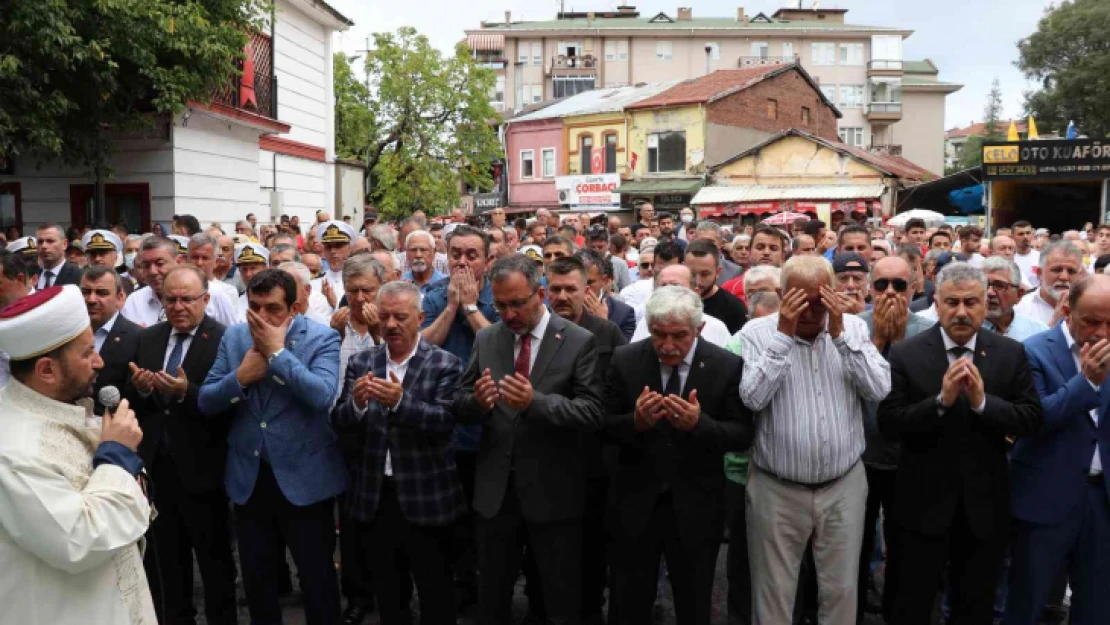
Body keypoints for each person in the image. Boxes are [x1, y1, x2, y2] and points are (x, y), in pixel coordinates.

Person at [878, 262, 1042, 625]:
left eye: (971, 302)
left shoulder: (1009, 353)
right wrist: (940, 402)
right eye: (952, 303)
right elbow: (889, 424)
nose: (962, 312)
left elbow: (1030, 418)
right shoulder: (907, 353)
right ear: (936, 303)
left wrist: (984, 403)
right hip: (921, 503)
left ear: (986, 303)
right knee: (912, 602)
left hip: (984, 507)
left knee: (975, 605)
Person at [452, 255, 604, 625]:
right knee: (493, 597)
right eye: (501, 305)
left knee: (557, 597)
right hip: (496, 494)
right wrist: (478, 401)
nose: (508, 314)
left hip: (553, 493)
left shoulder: (579, 340)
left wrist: (534, 403)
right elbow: (458, 400)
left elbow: (592, 412)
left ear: (540, 294)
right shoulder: (488, 337)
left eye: (518, 303)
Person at [740, 255, 891, 625]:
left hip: (842, 484)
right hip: (777, 486)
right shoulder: (756, 335)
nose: (810, 311)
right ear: (780, 294)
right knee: (773, 593)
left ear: (833, 293)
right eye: (799, 300)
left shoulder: (852, 328)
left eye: (819, 300)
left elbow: (879, 389)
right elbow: (753, 398)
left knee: (840, 591)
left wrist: (840, 336)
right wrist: (783, 336)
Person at [198, 269, 347, 625]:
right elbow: (206, 399)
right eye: (255, 308)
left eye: (273, 309)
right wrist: (241, 378)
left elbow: (322, 395)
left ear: (294, 308)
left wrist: (277, 354)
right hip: (251, 479)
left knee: (318, 580)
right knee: (258, 580)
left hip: (306, 479)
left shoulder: (322, 338)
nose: (262, 318)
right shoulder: (234, 338)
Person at [0, 285, 155, 625]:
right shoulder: (14, 449)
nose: (99, 361)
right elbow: (78, 540)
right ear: (46, 371)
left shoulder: (64, 408)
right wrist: (115, 457)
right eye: (86, 354)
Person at [605, 285, 754, 625]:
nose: (668, 346)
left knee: (694, 599)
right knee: (629, 599)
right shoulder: (625, 359)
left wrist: (699, 425)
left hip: (697, 505)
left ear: (699, 329)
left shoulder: (726, 365)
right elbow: (602, 424)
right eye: (659, 335)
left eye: (678, 336)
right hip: (635, 502)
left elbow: (742, 434)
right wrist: (635, 423)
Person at [332, 281, 465, 625]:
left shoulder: (445, 363)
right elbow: (339, 421)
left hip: (427, 497)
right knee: (390, 594)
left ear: (420, 318)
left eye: (400, 317)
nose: (390, 324)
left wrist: (401, 403)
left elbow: (446, 421)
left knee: (436, 592)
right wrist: (358, 405)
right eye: (385, 316)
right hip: (377, 499)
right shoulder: (363, 362)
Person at [124, 266, 237, 625]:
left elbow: (230, 403)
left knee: (215, 564)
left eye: (187, 299)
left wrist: (185, 393)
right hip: (159, 470)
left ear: (206, 299)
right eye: (170, 299)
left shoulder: (225, 339)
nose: (178, 306)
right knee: (167, 565)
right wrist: (142, 388)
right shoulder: (149, 339)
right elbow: (135, 402)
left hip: (206, 469)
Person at [1006, 275, 1110, 625]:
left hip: (1101, 501)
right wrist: (1087, 382)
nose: (1101, 332)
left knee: (1097, 605)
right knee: (1026, 601)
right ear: (1067, 310)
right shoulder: (1033, 350)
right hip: (1045, 497)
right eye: (1092, 321)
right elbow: (1032, 420)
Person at [419, 224, 499, 608]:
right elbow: (422, 346)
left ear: (487, 260)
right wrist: (452, 305)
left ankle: (485, 589)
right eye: (456, 254)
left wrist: (470, 307)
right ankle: (457, 587)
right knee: (447, 518)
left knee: (484, 517)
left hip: (487, 425)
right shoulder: (432, 296)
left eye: (472, 254)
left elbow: (502, 350)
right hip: (440, 423)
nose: (463, 262)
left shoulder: (502, 296)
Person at [546, 256, 628, 623]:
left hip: (595, 459)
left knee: (592, 547)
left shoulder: (606, 333)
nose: (562, 296)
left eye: (570, 289)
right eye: (555, 289)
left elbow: (620, 389)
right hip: (549, 455)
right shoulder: (538, 330)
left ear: (588, 290)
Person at [855, 256, 934, 623]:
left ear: (914, 288)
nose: (890, 292)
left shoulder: (928, 332)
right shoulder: (854, 327)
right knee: (855, 544)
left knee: (904, 546)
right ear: (870, 288)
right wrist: (875, 340)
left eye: (899, 285)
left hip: (909, 459)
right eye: (882, 284)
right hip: (860, 457)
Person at [121, 237, 239, 328]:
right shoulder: (134, 301)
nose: (152, 271)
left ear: (179, 261)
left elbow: (232, 338)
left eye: (160, 263)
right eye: (146, 265)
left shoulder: (214, 294)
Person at [82, 266, 140, 415]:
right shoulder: (67, 332)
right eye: (85, 292)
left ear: (120, 298)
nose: (91, 299)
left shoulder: (138, 337)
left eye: (101, 293)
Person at [630, 264, 732, 347]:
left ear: (695, 292)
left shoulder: (716, 328)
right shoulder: (647, 323)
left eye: (676, 286)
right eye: (663, 286)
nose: (668, 292)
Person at [1014, 240, 1085, 327]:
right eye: (1057, 270)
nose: (1064, 277)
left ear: (1080, 275)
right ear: (1039, 273)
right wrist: (1055, 325)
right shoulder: (1021, 309)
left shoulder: (1089, 307)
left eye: (1071, 271)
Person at [685, 239, 748, 334]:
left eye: (705, 274)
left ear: (718, 272)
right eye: (692, 274)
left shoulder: (734, 309)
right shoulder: (671, 300)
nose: (697, 281)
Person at [982, 257, 1049, 342]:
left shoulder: (1038, 332)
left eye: (1000, 286)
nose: (990, 293)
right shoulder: (966, 332)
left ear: (1019, 294)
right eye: (984, 284)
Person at [577, 249, 637, 341]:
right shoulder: (560, 309)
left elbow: (623, 353)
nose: (584, 288)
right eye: (578, 283)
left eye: (589, 282)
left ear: (604, 280)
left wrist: (604, 324)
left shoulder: (623, 314)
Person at [187, 233, 242, 312]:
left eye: (205, 258)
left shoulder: (227, 292)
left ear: (216, 262)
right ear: (187, 259)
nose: (199, 263)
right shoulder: (176, 288)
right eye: (195, 257)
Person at [315, 220, 358, 299]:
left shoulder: (358, 280)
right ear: (323, 250)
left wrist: (335, 304)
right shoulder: (316, 282)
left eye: (338, 246)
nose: (333, 251)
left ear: (349, 249)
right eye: (328, 247)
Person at [233, 243, 271, 320]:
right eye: (244, 269)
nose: (248, 274)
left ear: (266, 268)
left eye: (253, 268)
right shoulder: (235, 302)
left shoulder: (276, 298)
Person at [36, 224, 82, 288]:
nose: (44, 246)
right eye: (40, 242)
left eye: (50, 241)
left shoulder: (78, 275)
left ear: (64, 244)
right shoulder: (32, 276)